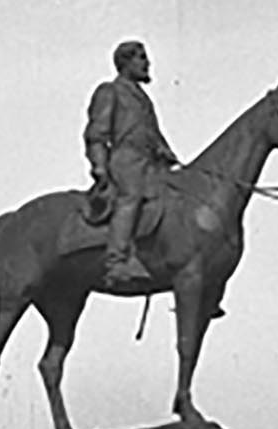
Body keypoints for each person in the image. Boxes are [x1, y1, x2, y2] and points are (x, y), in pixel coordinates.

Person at [85, 39, 179, 289]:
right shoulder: (110, 91)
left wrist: (164, 150)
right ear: (124, 62)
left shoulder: (143, 100)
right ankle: (117, 261)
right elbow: (97, 134)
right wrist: (100, 166)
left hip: (150, 163)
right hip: (126, 160)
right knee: (131, 197)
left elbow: (152, 133)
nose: (147, 62)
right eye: (140, 57)